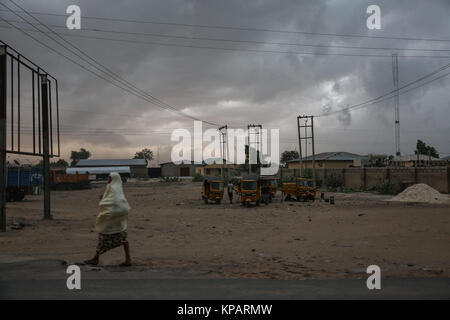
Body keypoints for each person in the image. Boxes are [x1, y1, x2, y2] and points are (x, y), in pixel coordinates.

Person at [84, 172, 132, 266]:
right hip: (119, 217)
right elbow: (117, 199)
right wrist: (104, 198)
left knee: (103, 236)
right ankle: (128, 259)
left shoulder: (111, 187)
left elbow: (112, 201)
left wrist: (103, 201)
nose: (108, 180)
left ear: (113, 179)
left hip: (111, 216)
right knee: (123, 238)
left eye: (109, 178)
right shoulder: (119, 187)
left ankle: (95, 258)